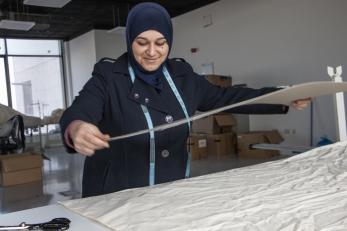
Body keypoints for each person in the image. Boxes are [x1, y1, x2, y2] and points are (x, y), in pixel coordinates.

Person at [60, 2, 310, 198]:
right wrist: (77, 128)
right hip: (117, 196)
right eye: (142, 43)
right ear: (129, 41)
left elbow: (228, 98)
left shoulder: (182, 76)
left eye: (161, 43)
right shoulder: (109, 76)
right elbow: (80, 110)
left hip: (172, 190)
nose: (152, 52)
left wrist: (282, 97)